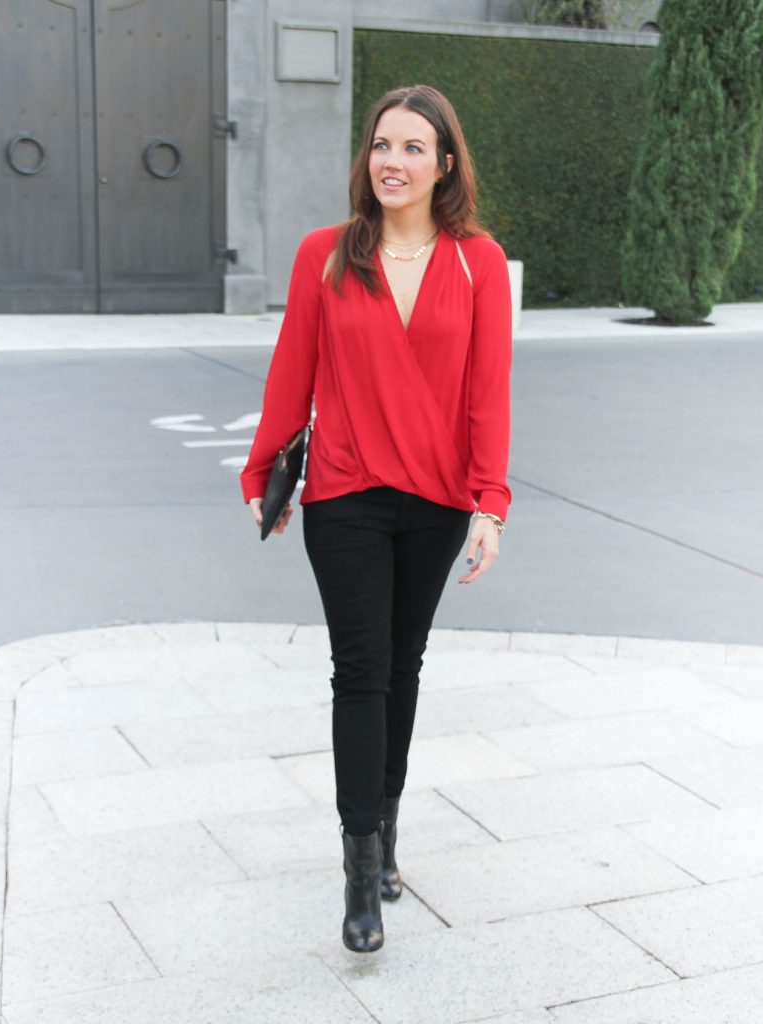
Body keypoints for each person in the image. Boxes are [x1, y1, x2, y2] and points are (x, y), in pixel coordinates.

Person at [240, 84, 512, 953]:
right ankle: (360, 873)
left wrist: (489, 502)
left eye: (411, 148)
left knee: (402, 665)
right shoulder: (325, 255)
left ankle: (387, 830)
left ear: (443, 165)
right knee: (358, 671)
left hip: (434, 502)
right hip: (346, 494)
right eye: (379, 145)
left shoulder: (476, 263)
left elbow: (487, 395)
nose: (391, 161)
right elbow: (292, 369)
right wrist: (262, 468)